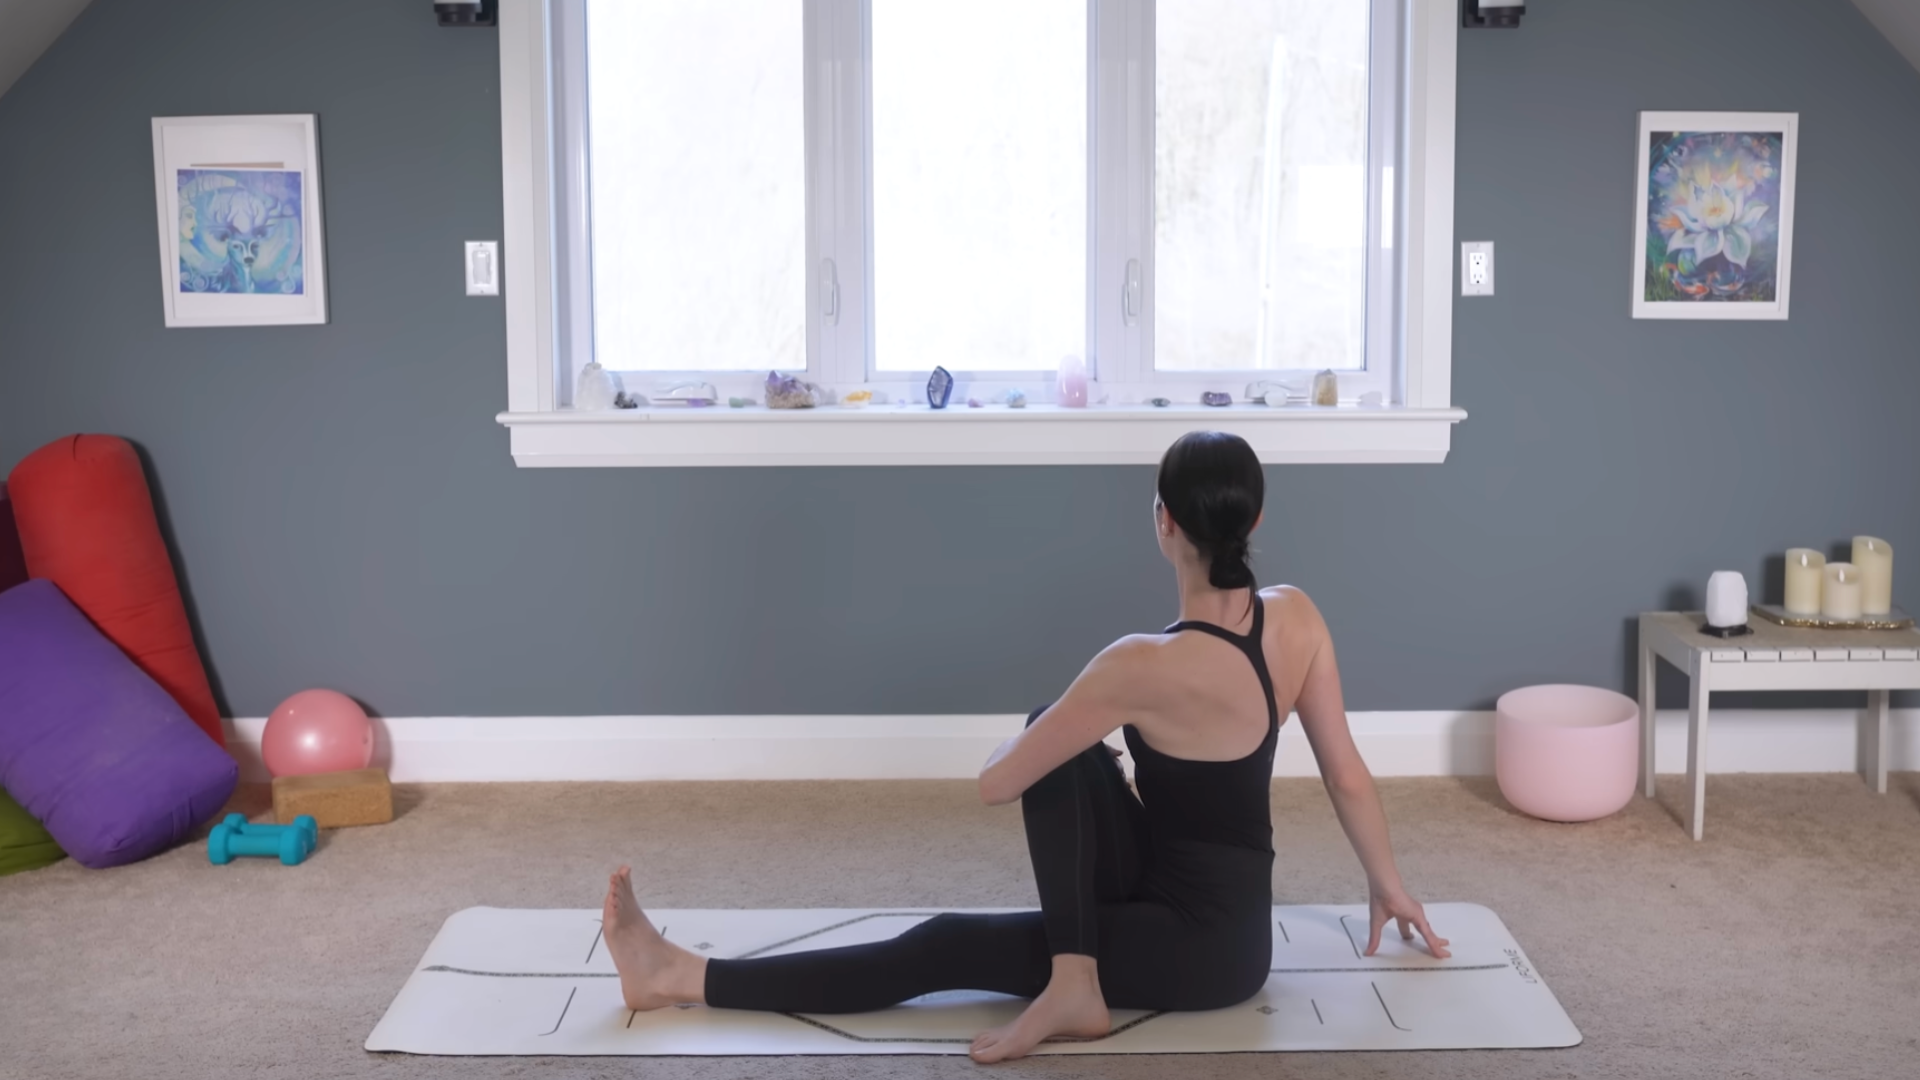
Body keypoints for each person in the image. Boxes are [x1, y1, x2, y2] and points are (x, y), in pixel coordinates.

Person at [599, 430, 1448, 1063]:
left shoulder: (1136, 666)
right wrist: (1390, 886)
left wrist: (1062, 726)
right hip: (1232, 933)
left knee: (940, 944)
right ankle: (1075, 971)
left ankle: (676, 976)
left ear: (1163, 523)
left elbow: (997, 785)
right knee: (1062, 731)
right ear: (1254, 519)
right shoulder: (1296, 617)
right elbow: (1347, 774)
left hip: (1195, 955)